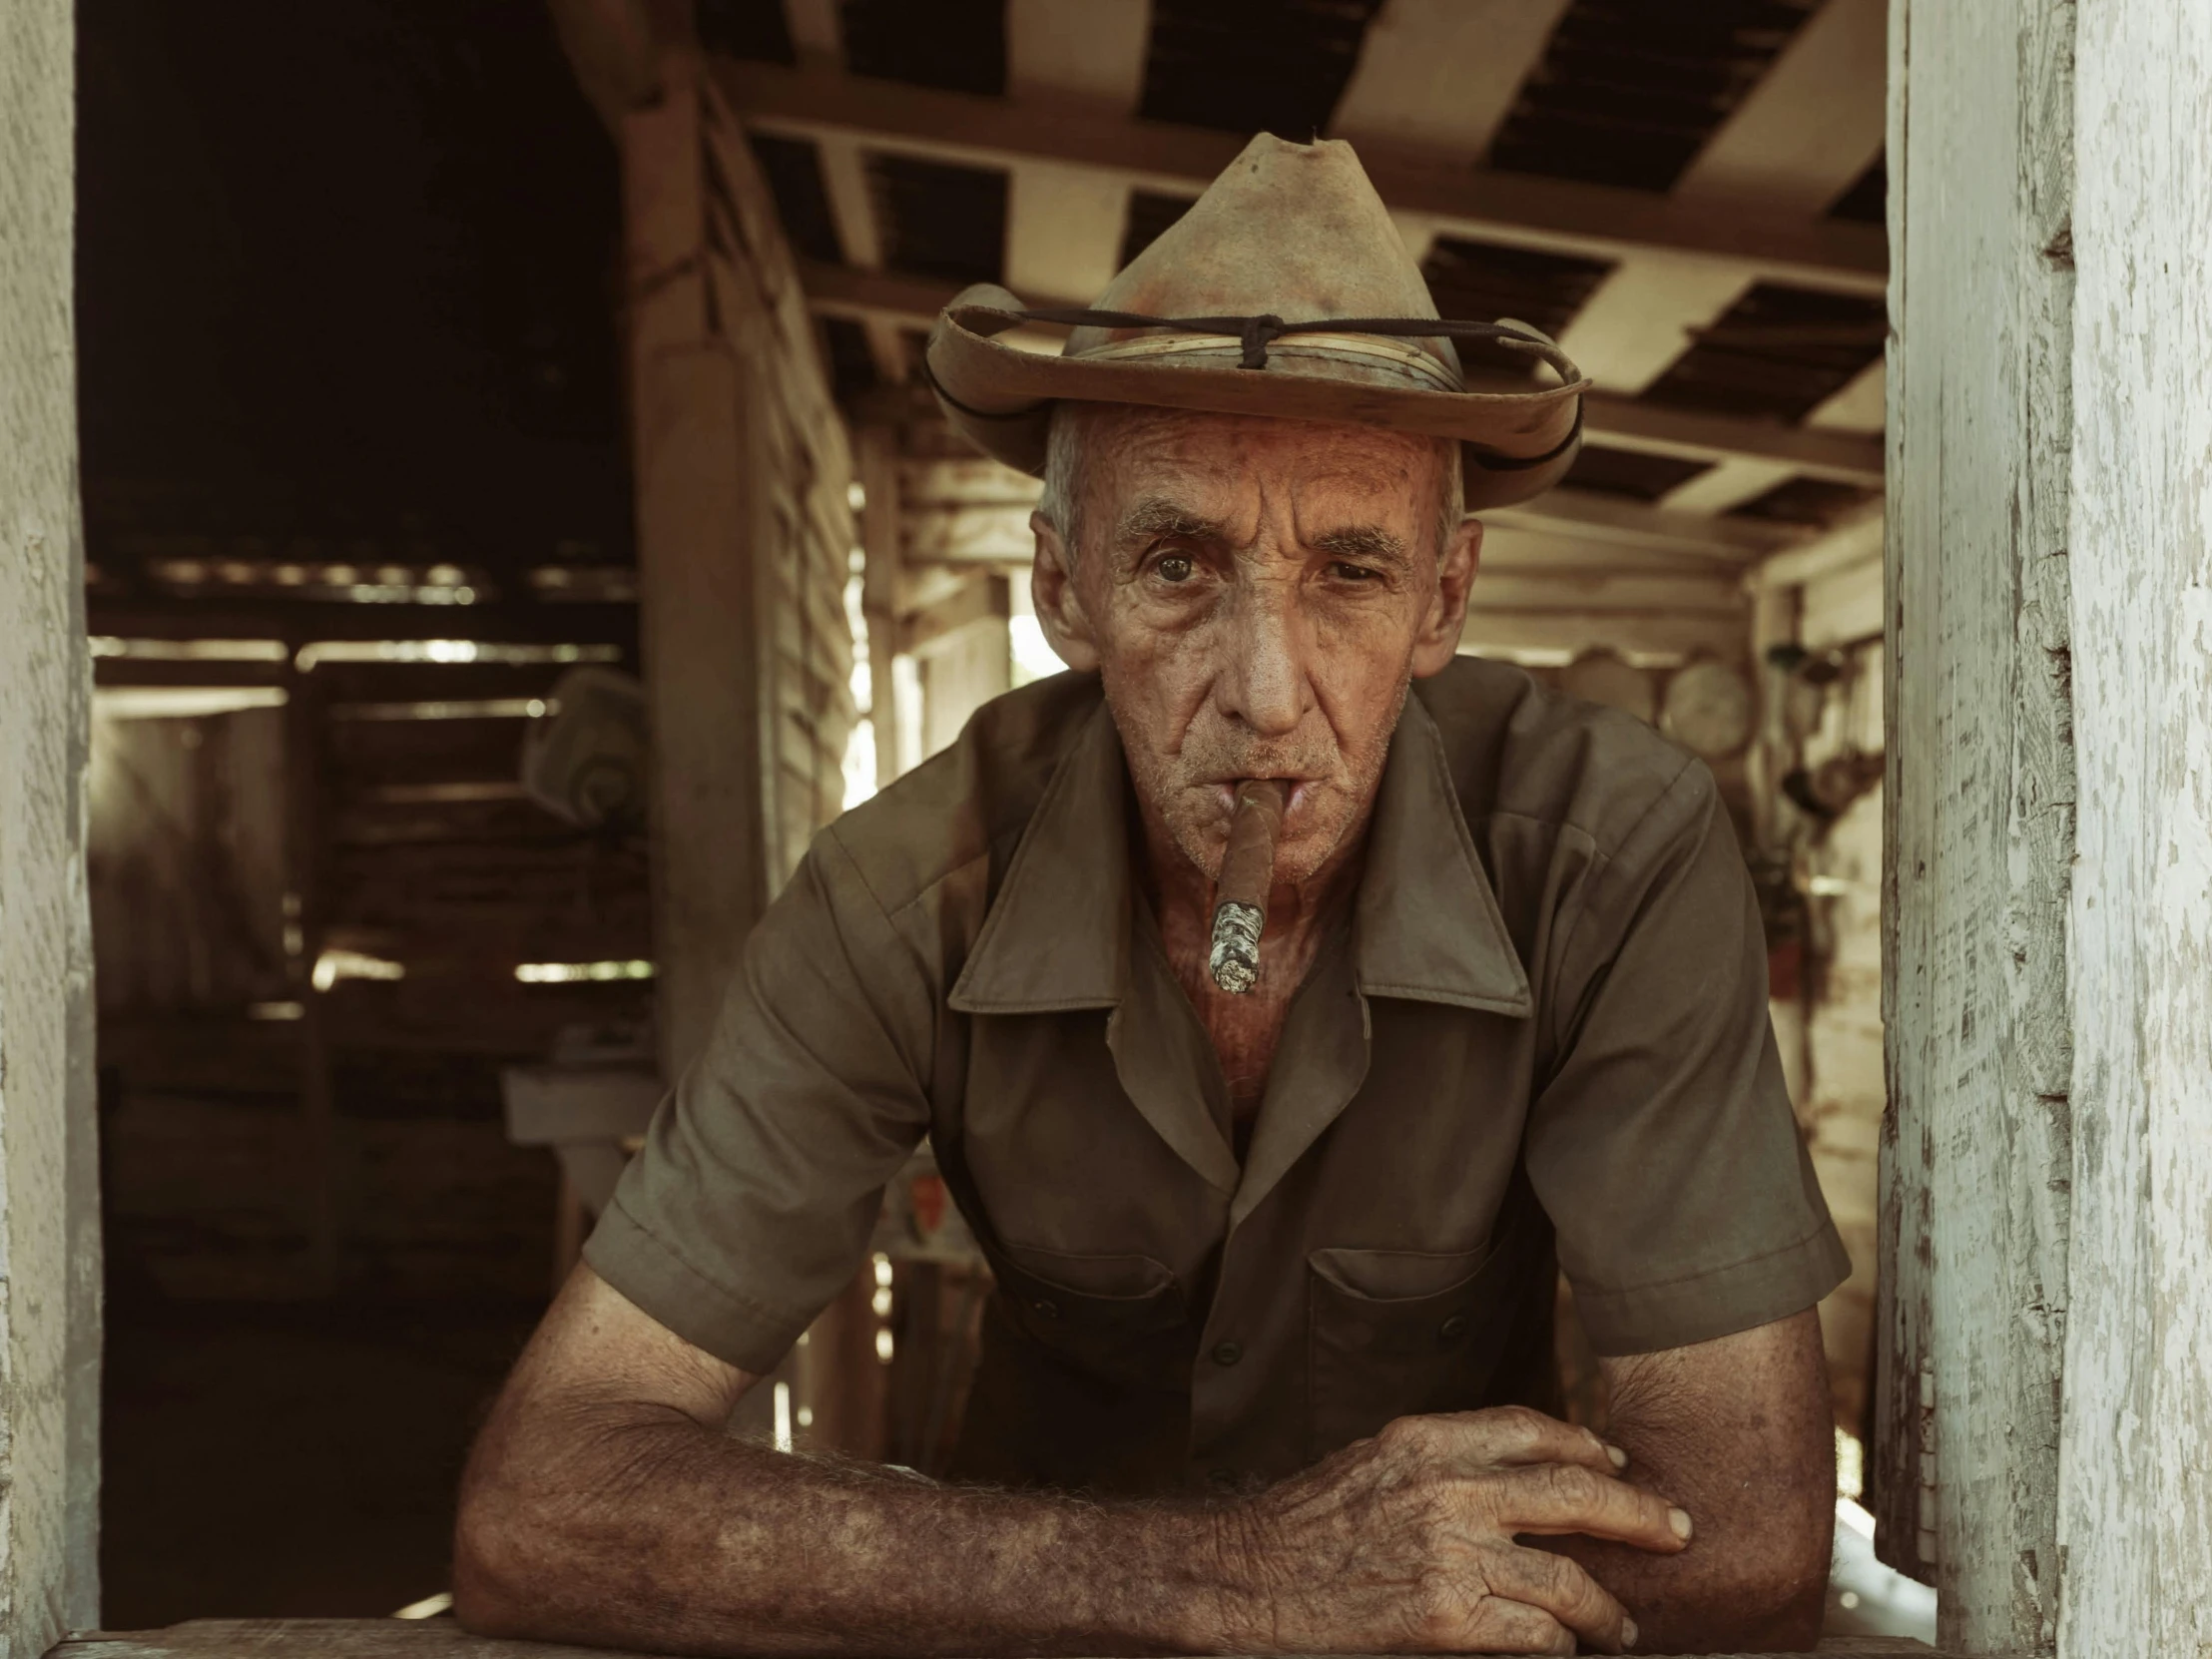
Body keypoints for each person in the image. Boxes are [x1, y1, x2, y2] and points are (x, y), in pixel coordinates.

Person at [453, 134, 1849, 1656]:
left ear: (1444, 597)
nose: (1262, 694)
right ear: (1064, 593)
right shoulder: (897, 892)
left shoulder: (1609, 852)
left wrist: (1365, 1584)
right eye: (1179, 565)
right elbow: (544, 1503)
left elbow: (1753, 1534)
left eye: (1350, 572)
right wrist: (1246, 1579)